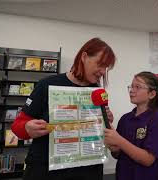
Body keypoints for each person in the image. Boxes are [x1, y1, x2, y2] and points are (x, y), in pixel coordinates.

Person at [11, 38, 116, 180]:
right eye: (100, 64)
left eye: (106, 68)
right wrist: (27, 128)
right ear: (84, 57)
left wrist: (105, 120)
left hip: (87, 170)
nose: (103, 72)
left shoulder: (97, 92)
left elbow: (100, 130)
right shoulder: (47, 84)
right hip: (46, 170)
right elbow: (18, 126)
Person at [104, 71, 158, 180]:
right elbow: (118, 155)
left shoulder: (157, 119)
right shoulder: (125, 119)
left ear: (151, 94)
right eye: (131, 87)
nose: (132, 90)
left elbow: (148, 159)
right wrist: (114, 148)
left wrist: (119, 140)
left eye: (138, 87)